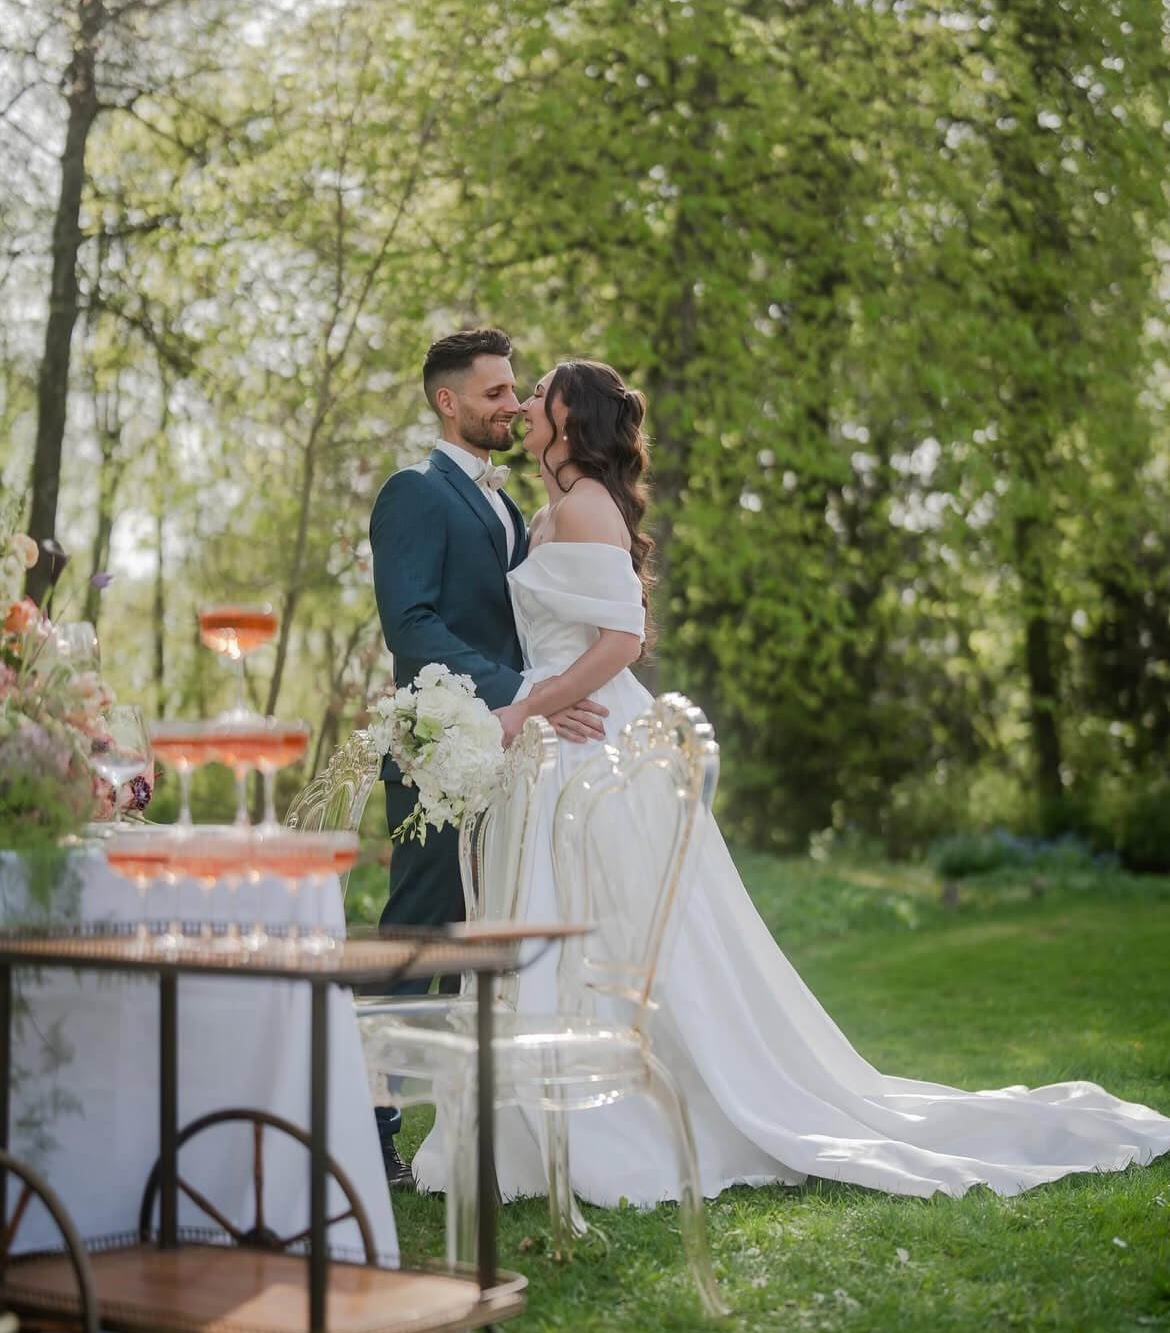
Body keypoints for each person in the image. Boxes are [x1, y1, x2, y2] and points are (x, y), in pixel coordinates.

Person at [414, 357, 1170, 1204]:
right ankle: (543, 1114)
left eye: (538, 399)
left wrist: (534, 707)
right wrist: (533, 706)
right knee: (573, 923)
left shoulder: (586, 507)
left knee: (631, 932)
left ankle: (635, 1112)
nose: (523, 409)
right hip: (560, 732)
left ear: (567, 420)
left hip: (595, 737)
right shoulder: (552, 510)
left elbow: (623, 640)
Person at [368, 328, 608, 1185]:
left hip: (513, 748)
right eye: (498, 391)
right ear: (448, 401)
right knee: (419, 935)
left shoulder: (509, 508)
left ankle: (474, 1120)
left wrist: (536, 702)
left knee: (477, 937)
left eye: (515, 391)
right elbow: (414, 625)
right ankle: (368, 1122)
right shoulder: (414, 493)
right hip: (444, 750)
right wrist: (522, 691)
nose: (514, 404)